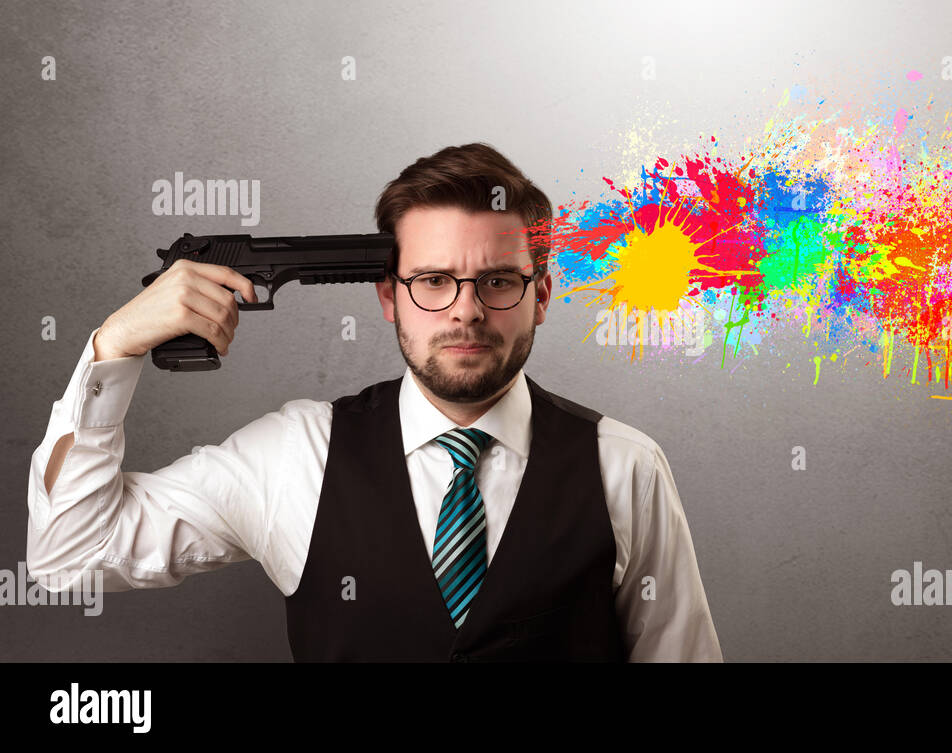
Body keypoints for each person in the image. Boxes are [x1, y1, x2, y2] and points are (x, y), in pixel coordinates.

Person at [26, 142, 723, 662]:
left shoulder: (625, 468)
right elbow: (68, 555)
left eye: (499, 282)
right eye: (432, 281)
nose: (466, 311)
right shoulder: (295, 458)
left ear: (542, 295)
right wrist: (112, 347)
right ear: (388, 295)